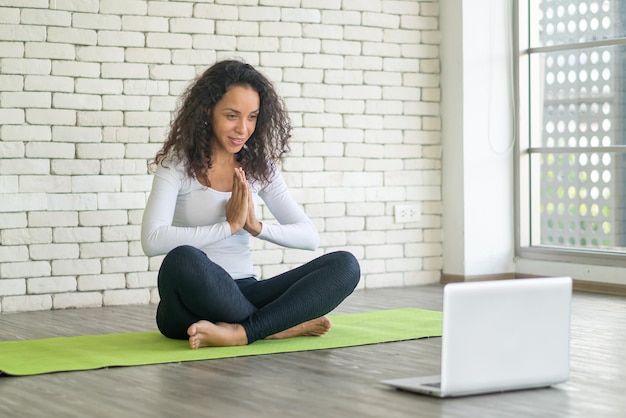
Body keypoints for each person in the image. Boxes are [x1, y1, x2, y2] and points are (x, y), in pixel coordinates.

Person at [141, 60, 361, 349]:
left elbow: (309, 237)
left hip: (244, 292)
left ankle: (242, 332)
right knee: (182, 259)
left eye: (252, 117)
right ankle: (274, 327)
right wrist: (228, 227)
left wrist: (256, 227)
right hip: (189, 303)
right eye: (232, 115)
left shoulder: (260, 169)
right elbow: (152, 240)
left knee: (346, 265)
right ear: (208, 111)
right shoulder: (177, 166)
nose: (243, 129)